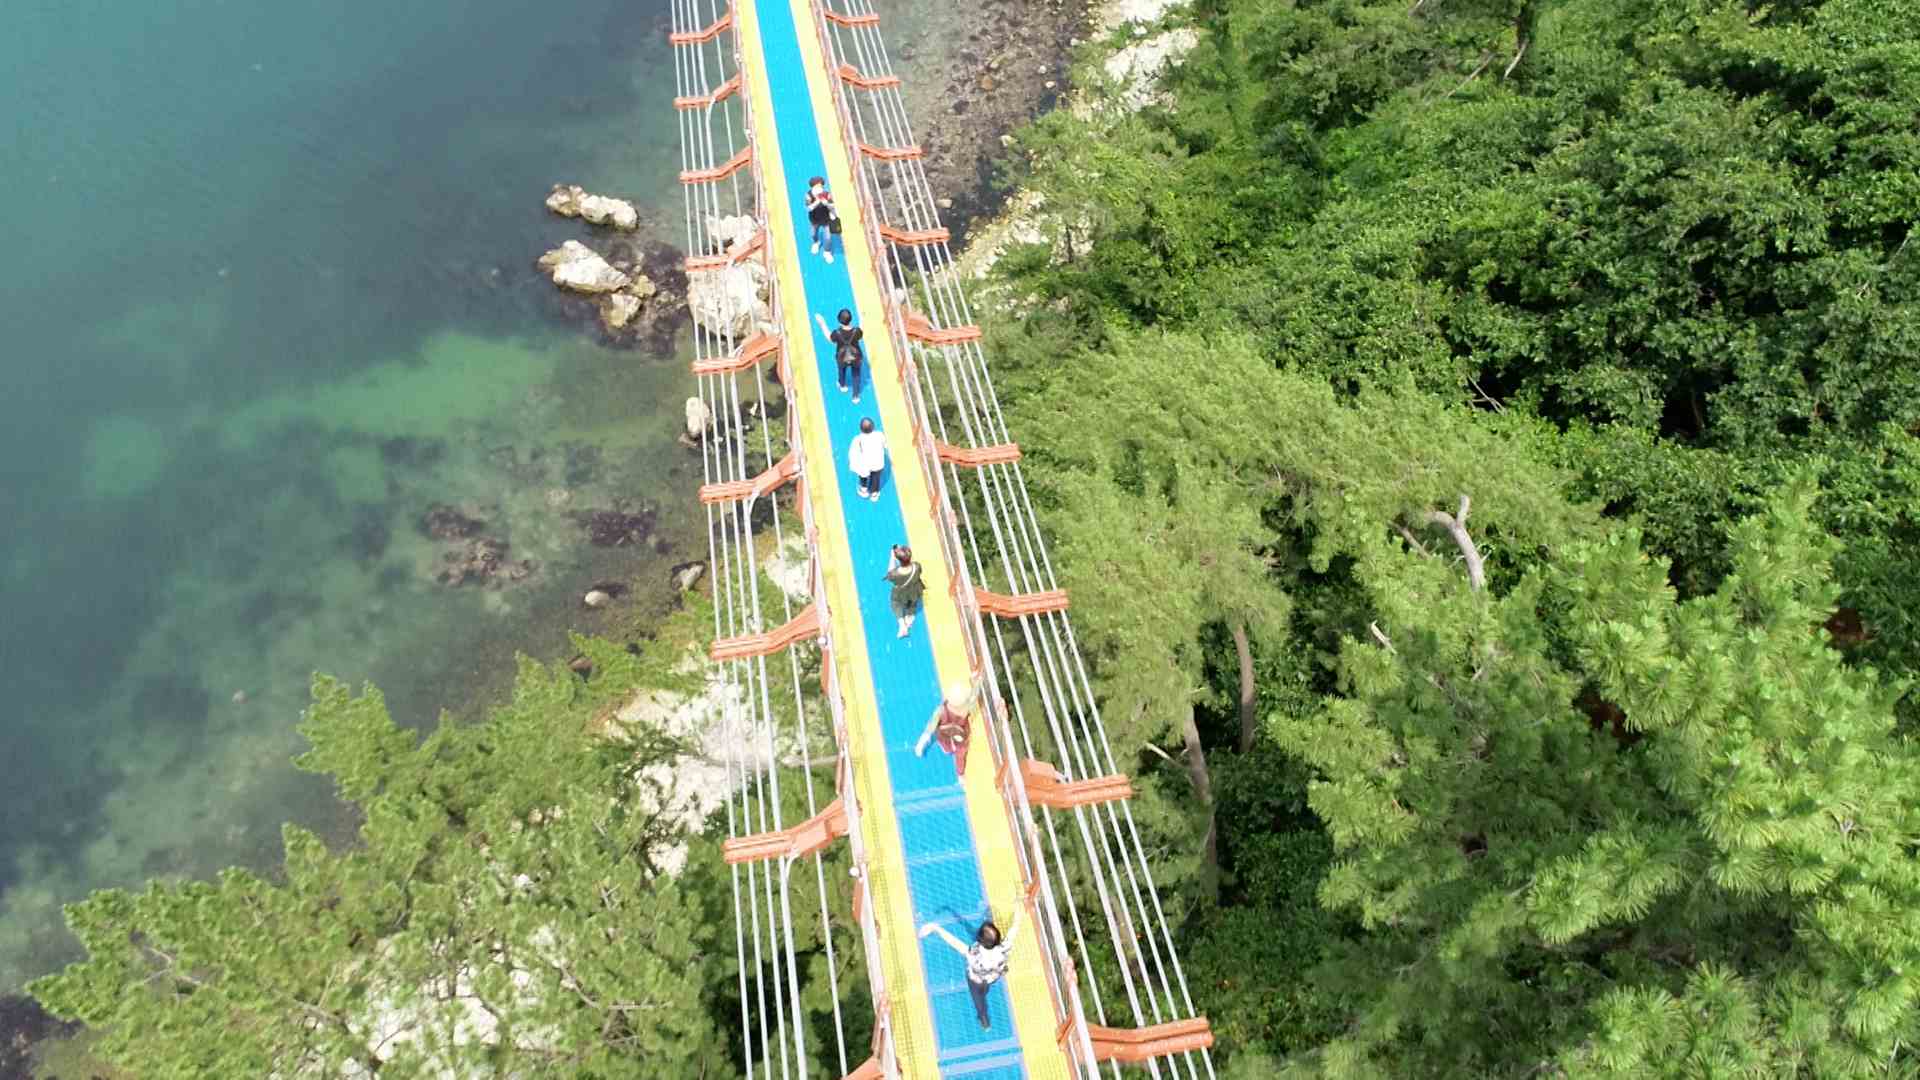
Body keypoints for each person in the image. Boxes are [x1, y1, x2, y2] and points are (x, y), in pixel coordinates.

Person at [919, 905, 1021, 1031]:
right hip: (993, 976)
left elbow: (954, 942)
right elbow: (1014, 928)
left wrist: (936, 928)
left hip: (976, 981)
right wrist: (1018, 910)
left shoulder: (974, 955)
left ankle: (984, 1020)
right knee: (986, 987)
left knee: (978, 1000)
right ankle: (997, 976)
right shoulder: (1004, 947)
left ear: (981, 941)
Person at [914, 680, 978, 777]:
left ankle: (958, 768)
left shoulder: (942, 711)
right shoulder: (965, 708)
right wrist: (978, 682)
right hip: (957, 737)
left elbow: (930, 728)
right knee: (959, 755)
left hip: (947, 736)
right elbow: (974, 695)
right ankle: (960, 773)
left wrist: (920, 744)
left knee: (952, 749)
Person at [815, 308, 864, 402]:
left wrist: (822, 323)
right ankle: (855, 396)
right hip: (856, 357)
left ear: (839, 321)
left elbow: (829, 338)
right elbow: (861, 332)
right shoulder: (856, 331)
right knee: (856, 375)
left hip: (842, 357)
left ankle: (842, 385)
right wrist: (861, 318)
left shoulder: (837, 333)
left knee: (841, 371)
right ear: (851, 319)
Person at [883, 544, 923, 638]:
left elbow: (889, 574)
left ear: (898, 559)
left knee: (895, 604)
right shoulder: (917, 566)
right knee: (913, 602)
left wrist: (892, 557)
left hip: (900, 593)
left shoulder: (895, 574)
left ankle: (902, 626)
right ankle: (910, 617)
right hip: (915, 589)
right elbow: (919, 572)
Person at [847, 417, 887, 502]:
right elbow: (884, 444)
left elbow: (853, 452)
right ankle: (874, 494)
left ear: (861, 429)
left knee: (863, 477)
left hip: (865, 465)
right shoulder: (879, 435)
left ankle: (863, 490)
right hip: (878, 463)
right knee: (876, 478)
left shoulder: (858, 439)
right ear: (873, 426)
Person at [804, 176, 837, 263]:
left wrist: (827, 204)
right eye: (817, 186)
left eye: (821, 186)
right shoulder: (808, 196)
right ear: (813, 186)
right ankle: (816, 243)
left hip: (826, 219)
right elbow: (808, 208)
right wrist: (816, 202)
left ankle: (827, 252)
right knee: (813, 234)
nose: (820, 188)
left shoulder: (826, 194)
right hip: (814, 219)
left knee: (828, 238)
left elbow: (832, 205)